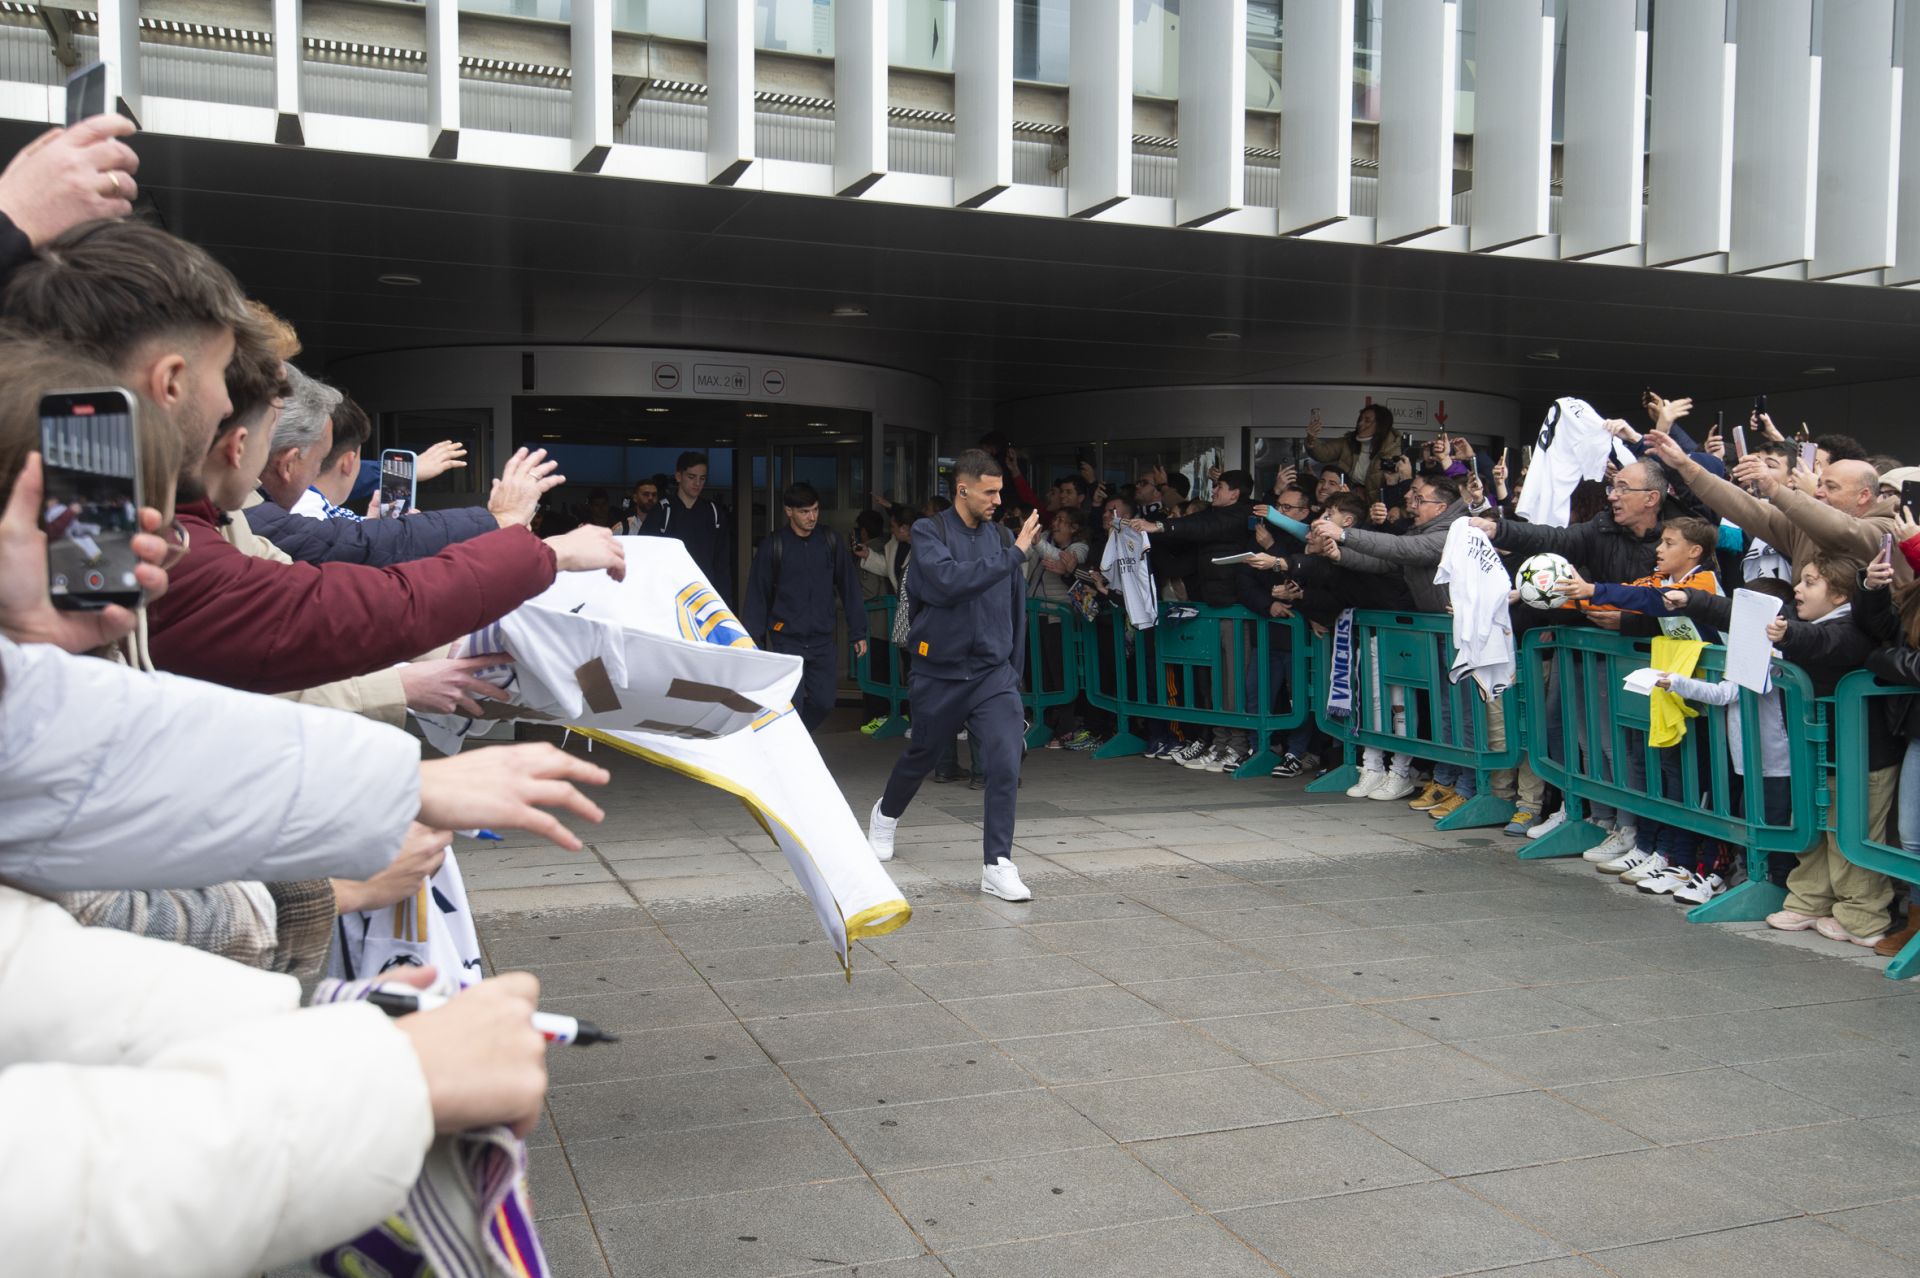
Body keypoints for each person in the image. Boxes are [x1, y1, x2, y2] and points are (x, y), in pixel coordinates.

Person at [866, 449, 1040, 902]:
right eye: (990, 492)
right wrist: (1013, 556)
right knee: (922, 754)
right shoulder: (930, 531)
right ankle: (886, 814)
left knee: (1005, 761)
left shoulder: (1002, 536)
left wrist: (1013, 672)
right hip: (939, 672)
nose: (997, 500)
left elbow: (1015, 609)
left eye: (1000, 492)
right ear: (963, 489)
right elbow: (949, 583)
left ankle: (997, 864)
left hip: (992, 674)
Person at [742, 481, 866, 732]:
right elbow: (757, 596)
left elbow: (850, 587)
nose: (812, 517)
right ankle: (790, 746)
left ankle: (795, 738)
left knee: (824, 703)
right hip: (786, 640)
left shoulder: (830, 541)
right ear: (789, 511)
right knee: (792, 705)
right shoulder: (773, 546)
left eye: (815, 510)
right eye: (804, 511)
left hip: (822, 640)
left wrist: (859, 632)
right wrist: (753, 643)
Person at [643, 450, 732, 595]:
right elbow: (647, 558)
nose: (697, 483)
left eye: (702, 478)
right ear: (678, 476)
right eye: (691, 477)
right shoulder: (662, 511)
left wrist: (724, 600)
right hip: (669, 593)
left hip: (704, 593)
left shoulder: (714, 513)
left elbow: (722, 565)